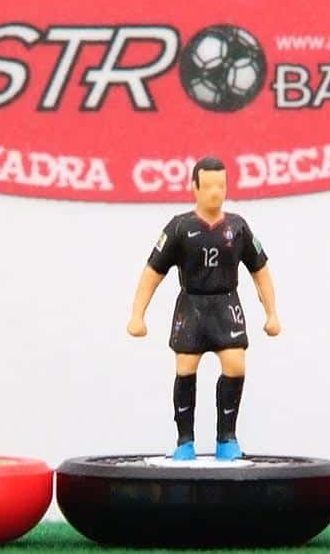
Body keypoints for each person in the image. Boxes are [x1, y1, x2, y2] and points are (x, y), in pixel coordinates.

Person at [127, 157, 281, 461]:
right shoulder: (179, 227)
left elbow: (260, 270)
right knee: (186, 366)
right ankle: (185, 441)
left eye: (221, 185)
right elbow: (153, 272)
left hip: (226, 304)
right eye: (208, 186)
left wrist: (271, 312)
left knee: (235, 364)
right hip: (192, 306)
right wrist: (137, 315)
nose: (215, 192)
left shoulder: (237, 227)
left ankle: (227, 438)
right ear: (194, 188)